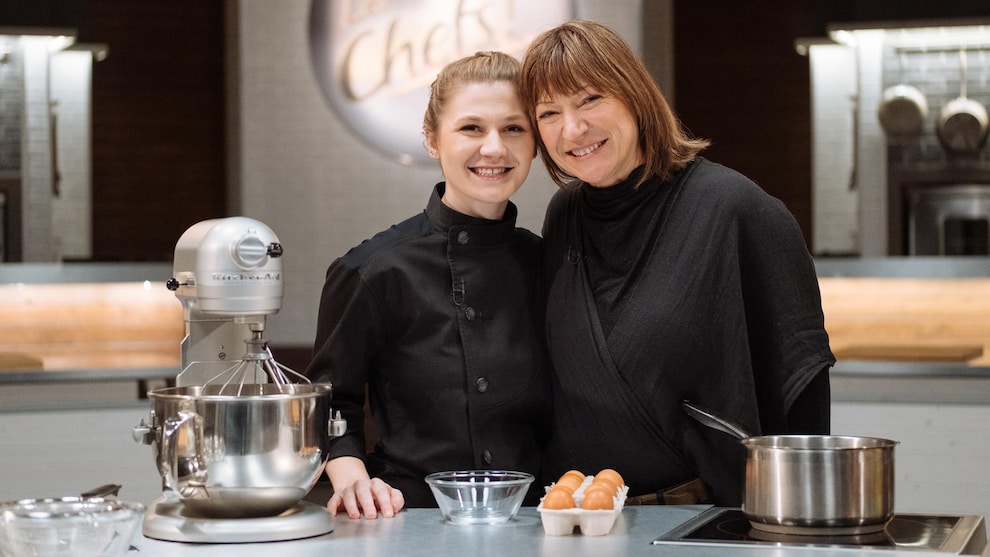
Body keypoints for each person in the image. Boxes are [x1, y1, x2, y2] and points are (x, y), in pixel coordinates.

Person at [519, 20, 834, 506]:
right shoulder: (564, 215)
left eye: (589, 99)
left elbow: (801, 387)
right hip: (576, 521)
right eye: (549, 113)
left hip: (699, 520)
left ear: (635, 95)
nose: (572, 129)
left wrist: (798, 528)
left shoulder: (736, 210)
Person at [305, 51, 550, 519]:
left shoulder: (548, 263)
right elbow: (328, 404)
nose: (495, 148)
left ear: (535, 143)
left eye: (514, 128)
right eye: (471, 128)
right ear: (433, 139)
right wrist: (354, 480)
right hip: (410, 516)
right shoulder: (374, 270)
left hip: (536, 521)